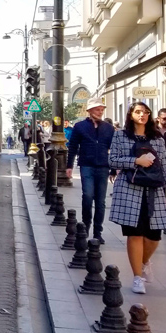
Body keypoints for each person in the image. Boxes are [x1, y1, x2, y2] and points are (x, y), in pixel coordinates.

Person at [108, 101, 166, 295]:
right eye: (138, 112)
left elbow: (164, 166)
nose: (142, 115)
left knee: (154, 236)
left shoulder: (156, 138)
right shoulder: (121, 135)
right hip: (129, 189)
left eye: (146, 112)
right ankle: (137, 277)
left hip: (153, 191)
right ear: (131, 115)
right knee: (135, 234)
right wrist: (135, 161)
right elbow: (112, 160)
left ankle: (144, 261)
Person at [65, 99, 115, 241]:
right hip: (87, 165)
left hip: (103, 166)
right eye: (97, 109)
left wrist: (113, 169)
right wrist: (69, 166)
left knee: (100, 201)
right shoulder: (80, 126)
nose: (100, 112)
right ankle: (85, 227)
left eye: (101, 110)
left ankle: (98, 232)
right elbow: (73, 146)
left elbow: (114, 149)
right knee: (87, 196)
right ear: (89, 111)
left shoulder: (108, 128)